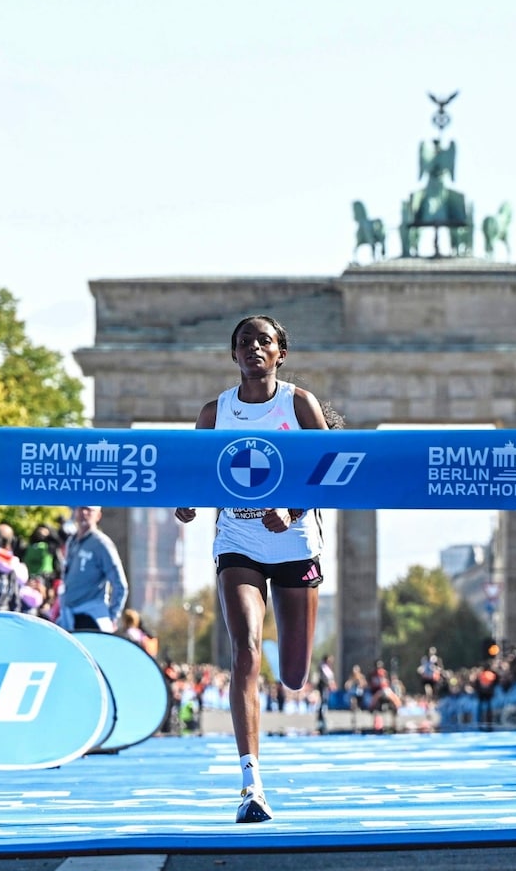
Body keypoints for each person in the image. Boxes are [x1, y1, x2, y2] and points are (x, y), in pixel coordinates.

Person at [175, 314, 329, 824]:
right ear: (234, 354)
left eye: (264, 341)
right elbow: (196, 473)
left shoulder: (298, 404)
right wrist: (188, 502)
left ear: (280, 352)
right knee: (244, 649)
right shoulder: (214, 411)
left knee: (293, 674)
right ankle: (251, 782)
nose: (254, 349)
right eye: (245, 343)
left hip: (294, 541)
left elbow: (329, 469)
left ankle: (291, 676)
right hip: (237, 539)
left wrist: (293, 509)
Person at [58, 505, 128, 632]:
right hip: (69, 617)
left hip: (90, 617)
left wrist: (112, 616)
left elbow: (120, 585)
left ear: (98, 516)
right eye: (81, 509)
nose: (84, 513)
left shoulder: (101, 544)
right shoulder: (71, 542)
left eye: (89, 510)